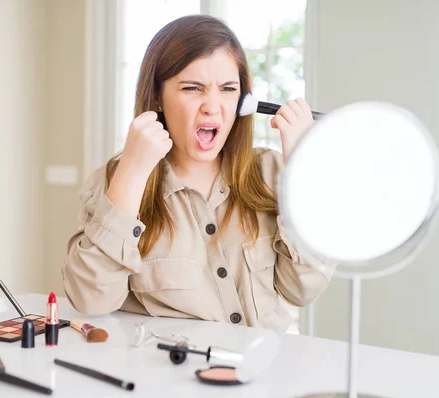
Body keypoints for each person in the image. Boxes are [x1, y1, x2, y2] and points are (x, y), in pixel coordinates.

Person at [61, 14, 334, 331]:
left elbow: (303, 290)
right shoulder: (114, 181)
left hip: (262, 372)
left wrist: (303, 173)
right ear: (157, 97)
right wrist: (132, 174)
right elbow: (90, 300)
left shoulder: (272, 172)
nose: (212, 106)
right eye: (193, 88)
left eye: (228, 89)